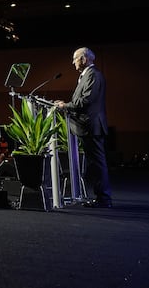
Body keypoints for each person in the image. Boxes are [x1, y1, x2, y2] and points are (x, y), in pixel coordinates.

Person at [55, 47, 112, 208]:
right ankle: (101, 197)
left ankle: (104, 199)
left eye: (75, 58)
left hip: (91, 125)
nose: (73, 62)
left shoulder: (93, 75)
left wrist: (65, 106)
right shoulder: (87, 75)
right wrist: (66, 105)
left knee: (98, 163)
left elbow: (86, 101)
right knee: (95, 163)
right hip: (87, 125)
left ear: (84, 59)